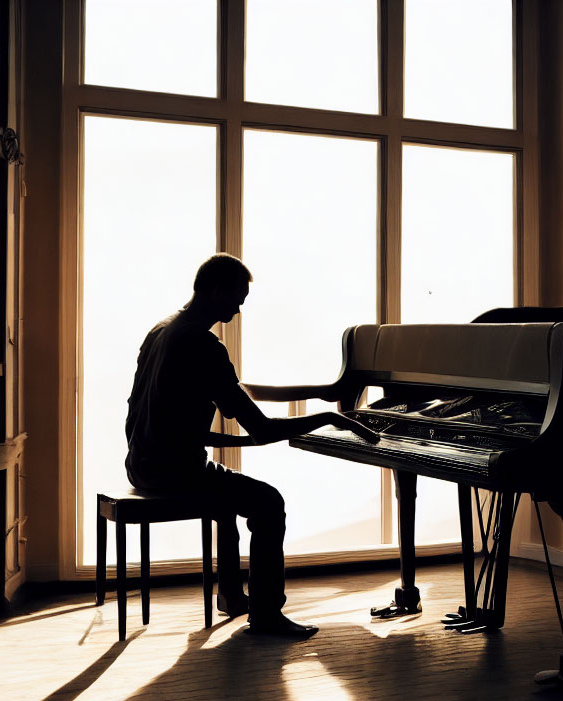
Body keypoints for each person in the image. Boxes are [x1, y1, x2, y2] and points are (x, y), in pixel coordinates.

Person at [125, 253, 378, 638]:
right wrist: (329, 418)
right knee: (268, 503)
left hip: (141, 463)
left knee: (227, 490)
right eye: (237, 298)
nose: (239, 308)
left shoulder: (162, 330)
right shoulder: (204, 345)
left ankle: (231, 595)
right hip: (173, 473)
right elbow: (259, 428)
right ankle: (266, 615)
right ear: (215, 290)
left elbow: (151, 410)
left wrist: (322, 395)